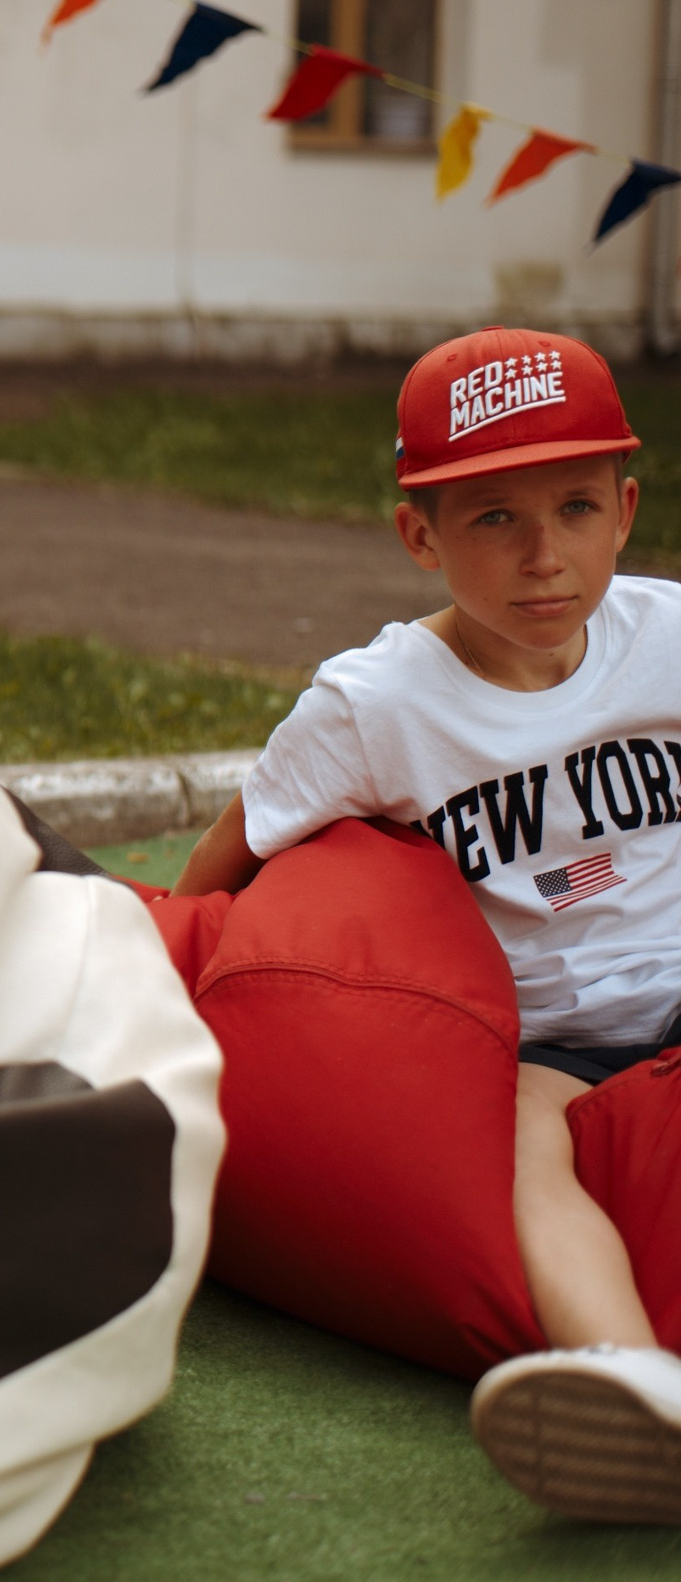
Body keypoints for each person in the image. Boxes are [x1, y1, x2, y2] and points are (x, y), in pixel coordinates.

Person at [174, 326, 681, 1521]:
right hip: (549, 1038)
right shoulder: (376, 704)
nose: (543, 555)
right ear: (420, 535)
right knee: (514, 1145)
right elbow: (227, 854)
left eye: (571, 506)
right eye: (492, 517)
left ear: (624, 506)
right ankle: (632, 1382)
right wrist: (172, 963)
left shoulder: (667, 635)